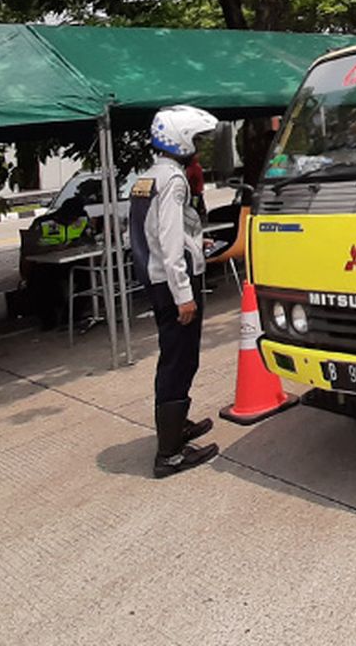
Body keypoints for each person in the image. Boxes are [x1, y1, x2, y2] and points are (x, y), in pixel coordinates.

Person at [130, 105, 220, 478]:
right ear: (180, 138)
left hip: (157, 278)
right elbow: (168, 239)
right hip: (173, 284)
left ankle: (177, 427)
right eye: (196, 138)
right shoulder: (175, 180)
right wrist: (183, 292)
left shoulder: (147, 177)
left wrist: (197, 242)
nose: (198, 146)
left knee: (175, 356)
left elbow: (150, 231)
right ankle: (169, 454)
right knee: (180, 360)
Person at [24, 196, 93, 330]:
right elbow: (28, 247)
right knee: (39, 280)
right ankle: (48, 321)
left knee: (87, 278)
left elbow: (90, 238)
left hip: (72, 261)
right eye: (70, 219)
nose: (73, 221)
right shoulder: (43, 223)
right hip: (46, 263)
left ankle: (71, 316)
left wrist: (79, 243)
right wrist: (53, 248)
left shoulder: (82, 219)